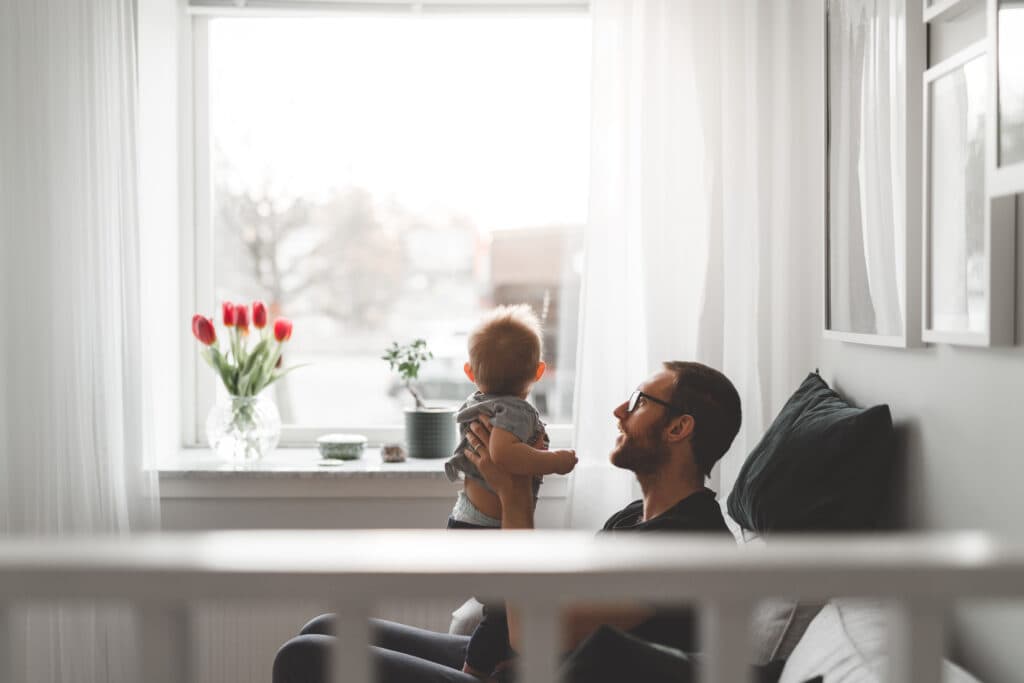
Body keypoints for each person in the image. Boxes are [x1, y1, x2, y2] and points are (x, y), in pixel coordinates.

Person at [272, 361, 742, 683]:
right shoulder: (633, 518)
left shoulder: (689, 541)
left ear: (680, 428)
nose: (620, 411)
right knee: (326, 627)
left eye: (639, 402)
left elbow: (532, 631)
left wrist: (515, 497)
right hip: (511, 665)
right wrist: (505, 488)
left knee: (307, 657)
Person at [444, 304, 578, 678]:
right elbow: (504, 454)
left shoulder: (477, 403)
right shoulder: (515, 410)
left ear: (470, 372)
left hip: (469, 523)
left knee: (500, 608)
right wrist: (554, 461)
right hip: (486, 531)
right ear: (539, 372)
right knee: (502, 612)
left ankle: (496, 663)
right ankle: (472, 672)